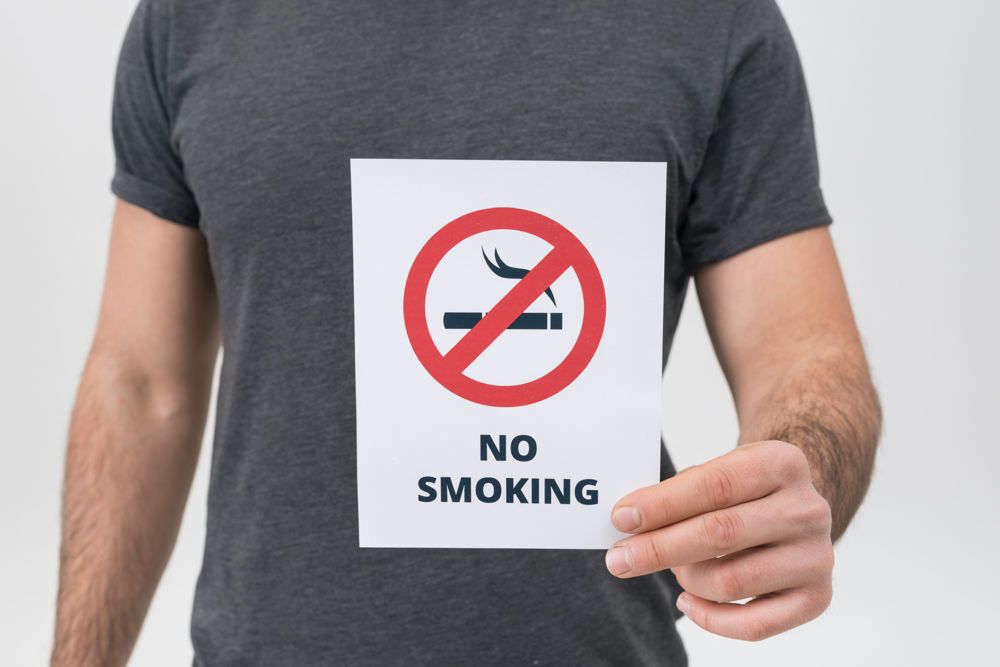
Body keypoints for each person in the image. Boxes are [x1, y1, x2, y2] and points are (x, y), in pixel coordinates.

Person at [51, 0, 881, 665]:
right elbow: (139, 384)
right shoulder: (191, 18)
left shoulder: (709, 18)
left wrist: (794, 471)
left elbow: (804, 355)